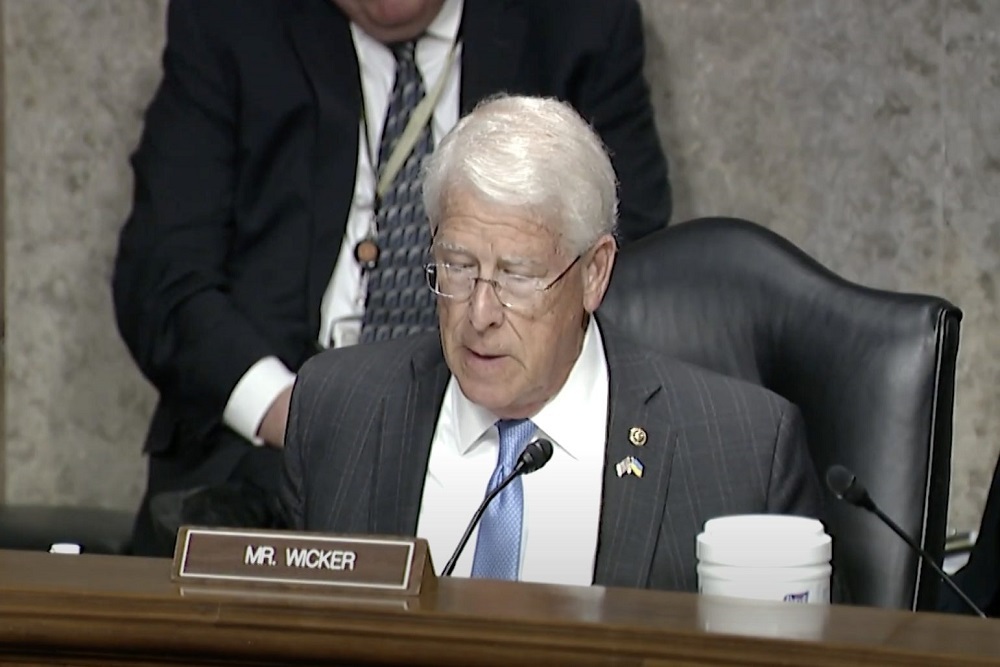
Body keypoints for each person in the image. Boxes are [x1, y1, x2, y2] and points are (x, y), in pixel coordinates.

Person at [112, 0, 672, 556]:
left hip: (504, 428)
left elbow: (628, 255)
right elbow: (163, 274)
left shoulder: (575, 22)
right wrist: (296, 415)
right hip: (265, 448)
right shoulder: (232, 19)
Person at [280, 95, 822, 589]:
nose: (480, 314)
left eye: (517, 276)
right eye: (458, 266)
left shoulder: (743, 452)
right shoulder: (336, 411)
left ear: (594, 273)